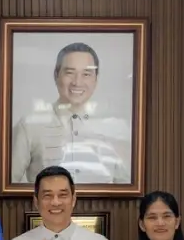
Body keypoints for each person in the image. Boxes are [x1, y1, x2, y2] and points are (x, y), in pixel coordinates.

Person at [11, 42, 131, 185]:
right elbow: (7, 184)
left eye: (86, 74)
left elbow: (127, 188)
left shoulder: (113, 128)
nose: (77, 82)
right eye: (69, 73)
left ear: (96, 79)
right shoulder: (29, 125)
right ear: (56, 75)